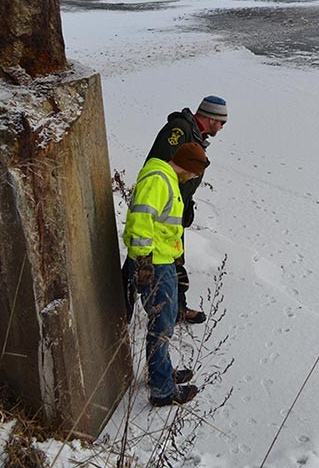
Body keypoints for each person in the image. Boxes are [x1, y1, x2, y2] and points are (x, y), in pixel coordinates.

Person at [122, 141, 210, 406]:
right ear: (187, 167)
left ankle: (161, 373)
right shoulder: (159, 180)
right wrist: (144, 263)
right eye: (195, 173)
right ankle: (163, 391)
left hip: (164, 261)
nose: (195, 177)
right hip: (154, 265)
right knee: (161, 326)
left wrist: (176, 260)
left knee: (165, 321)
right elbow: (141, 219)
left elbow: (163, 225)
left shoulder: (167, 178)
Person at [145, 95, 228, 324]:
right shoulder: (179, 130)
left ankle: (177, 308)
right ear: (211, 118)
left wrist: (185, 204)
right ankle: (124, 308)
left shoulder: (194, 135)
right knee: (143, 264)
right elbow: (162, 167)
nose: (222, 127)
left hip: (175, 211)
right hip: (162, 212)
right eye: (222, 122)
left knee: (174, 261)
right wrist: (170, 202)